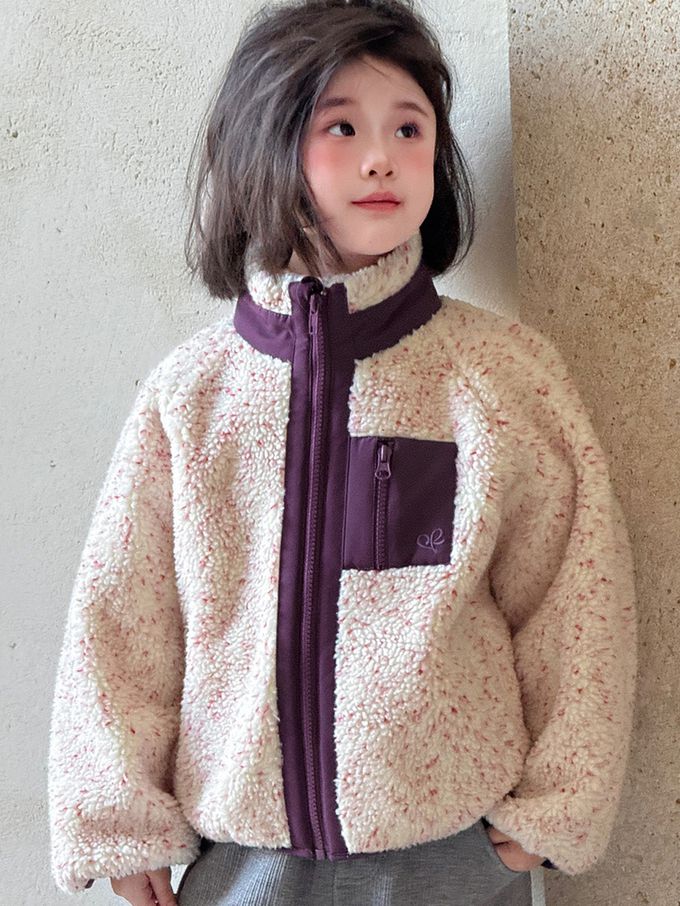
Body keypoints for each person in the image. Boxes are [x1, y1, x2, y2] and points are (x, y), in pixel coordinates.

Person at [47, 0, 638, 903]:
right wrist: (121, 824)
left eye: (409, 128)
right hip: (244, 861)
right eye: (342, 127)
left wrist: (546, 818)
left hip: (450, 856)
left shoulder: (498, 377)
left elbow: (578, 600)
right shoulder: (192, 395)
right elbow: (124, 619)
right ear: (267, 146)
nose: (381, 157)